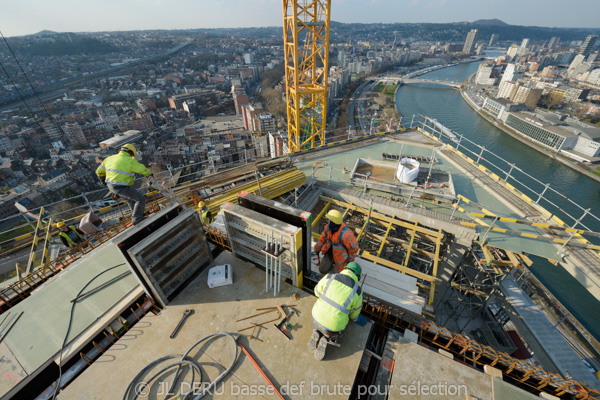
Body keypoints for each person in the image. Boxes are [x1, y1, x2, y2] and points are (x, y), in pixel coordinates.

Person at [308, 262, 363, 360]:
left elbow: (316, 292)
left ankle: (317, 330)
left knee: (319, 322)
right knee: (337, 329)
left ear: (345, 269)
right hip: (333, 326)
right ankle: (327, 337)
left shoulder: (330, 277)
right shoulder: (357, 291)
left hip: (316, 316)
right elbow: (354, 314)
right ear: (357, 277)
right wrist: (355, 319)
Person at [95, 144, 152, 226]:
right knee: (140, 199)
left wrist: (103, 180)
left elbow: (99, 171)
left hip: (111, 187)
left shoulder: (109, 159)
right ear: (130, 153)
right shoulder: (129, 160)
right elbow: (141, 169)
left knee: (130, 199)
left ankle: (136, 215)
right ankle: (137, 218)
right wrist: (149, 174)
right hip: (121, 187)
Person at [314, 209, 358, 274]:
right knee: (322, 270)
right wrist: (317, 248)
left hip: (340, 259)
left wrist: (349, 262)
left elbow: (353, 249)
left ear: (333, 223)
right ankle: (331, 262)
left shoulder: (346, 234)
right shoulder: (328, 228)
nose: (327, 221)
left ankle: (336, 266)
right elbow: (322, 238)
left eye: (329, 220)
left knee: (338, 275)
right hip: (329, 255)